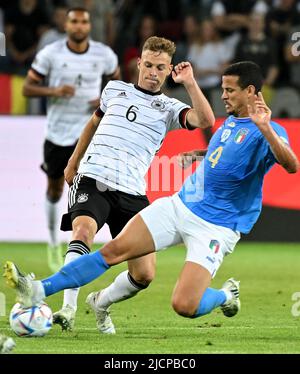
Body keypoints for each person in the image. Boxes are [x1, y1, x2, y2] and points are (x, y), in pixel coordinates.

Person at [5, 61, 299, 327]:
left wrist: (265, 128)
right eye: (223, 89)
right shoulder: (232, 120)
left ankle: (224, 295)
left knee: (184, 305)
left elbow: (291, 164)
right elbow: (228, 153)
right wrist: (200, 154)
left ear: (250, 91)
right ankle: (38, 289)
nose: (223, 96)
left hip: (217, 227)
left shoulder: (267, 129)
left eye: (230, 90)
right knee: (112, 251)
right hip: (180, 206)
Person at [26, 35, 214, 334]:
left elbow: (205, 120)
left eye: (161, 68)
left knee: (144, 274)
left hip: (132, 191)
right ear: (139, 63)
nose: (153, 73)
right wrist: (74, 161)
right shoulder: (114, 90)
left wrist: (190, 82)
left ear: (168, 71)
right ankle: (67, 309)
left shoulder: (169, 108)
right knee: (83, 231)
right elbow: (93, 123)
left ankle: (100, 302)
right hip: (94, 178)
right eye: (149, 65)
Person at [22, 7, 120, 273]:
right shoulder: (50, 54)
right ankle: (53, 242)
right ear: (66, 26)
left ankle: (79, 241)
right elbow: (27, 88)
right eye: (74, 22)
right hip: (57, 134)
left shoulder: (104, 54)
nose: (79, 26)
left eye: (83, 22)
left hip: (90, 134)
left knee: (91, 186)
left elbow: (118, 86)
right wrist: (54, 90)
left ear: (89, 26)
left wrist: (103, 97)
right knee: (55, 189)